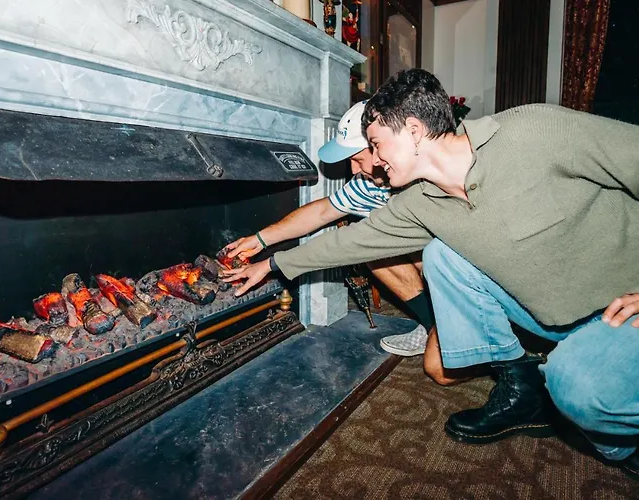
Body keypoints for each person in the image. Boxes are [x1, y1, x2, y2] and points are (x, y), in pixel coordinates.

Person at [222, 68, 639, 479]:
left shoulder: (533, 130)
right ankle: (523, 388)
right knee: (442, 255)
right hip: (551, 316)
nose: (374, 161)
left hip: (626, 304)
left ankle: (626, 447)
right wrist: (272, 263)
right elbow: (349, 242)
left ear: (414, 130)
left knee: (575, 386)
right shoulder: (419, 203)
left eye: (376, 144)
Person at [222, 101, 466, 386]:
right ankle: (432, 324)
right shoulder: (367, 185)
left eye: (357, 158)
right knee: (371, 245)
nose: (352, 168)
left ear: (380, 147)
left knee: (439, 369)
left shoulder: (426, 176)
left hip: (459, 270)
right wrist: (260, 239)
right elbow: (322, 211)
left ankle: (482, 340)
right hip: (432, 262)